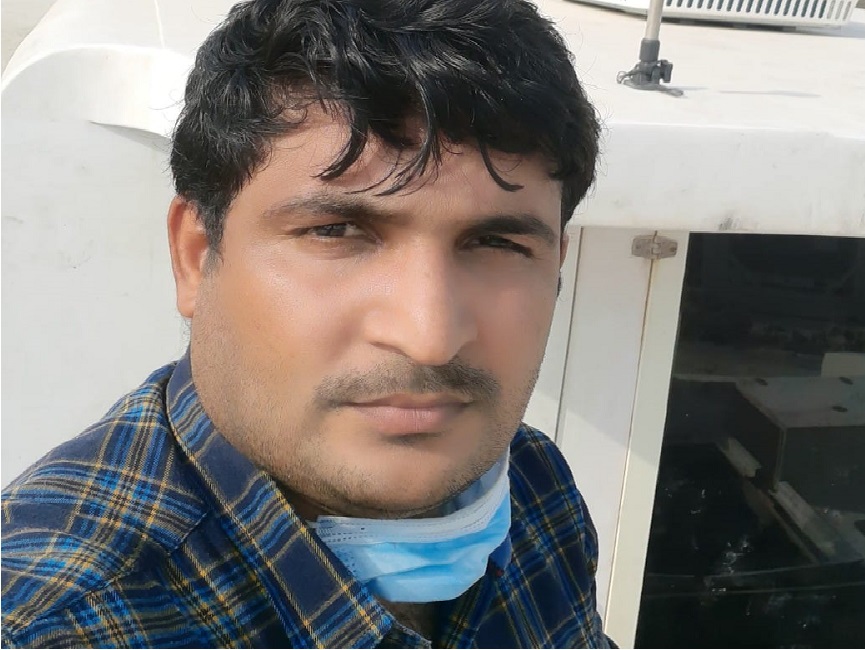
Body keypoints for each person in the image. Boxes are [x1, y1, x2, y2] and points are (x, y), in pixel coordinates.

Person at [1, 0, 608, 647]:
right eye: (336, 231)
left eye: (496, 244)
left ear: (557, 264)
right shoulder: (54, 629)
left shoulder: (532, 487)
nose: (429, 337)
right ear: (196, 255)